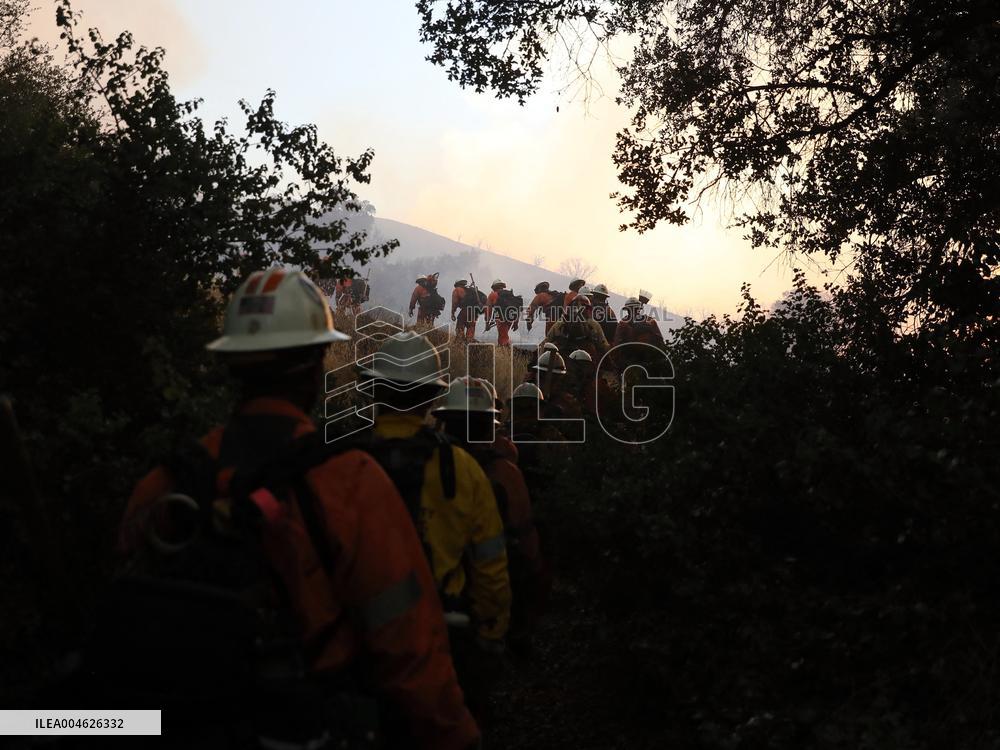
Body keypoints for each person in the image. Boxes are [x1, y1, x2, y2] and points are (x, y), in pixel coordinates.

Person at [119, 268, 479, 750]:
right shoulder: (350, 483)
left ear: (231, 366)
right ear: (316, 366)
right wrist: (456, 736)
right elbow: (409, 648)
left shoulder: (165, 483)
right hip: (301, 725)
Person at [361, 332, 512, 720]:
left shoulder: (342, 466)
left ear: (374, 391)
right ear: (431, 399)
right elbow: (490, 565)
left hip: (359, 642)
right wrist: (490, 634)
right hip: (444, 634)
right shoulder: (463, 468)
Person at [433, 378, 549, 662]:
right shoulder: (505, 472)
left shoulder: (426, 467)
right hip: (488, 610)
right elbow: (528, 551)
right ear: (490, 425)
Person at [543, 295, 610, 361]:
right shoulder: (593, 324)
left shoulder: (561, 322)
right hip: (586, 362)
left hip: (563, 360)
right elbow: (604, 347)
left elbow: (546, 341)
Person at [483, 279, 517, 347]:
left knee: (503, 336)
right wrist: (516, 323)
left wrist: (487, 323)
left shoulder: (492, 295)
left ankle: (505, 349)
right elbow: (516, 308)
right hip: (510, 318)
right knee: (503, 334)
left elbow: (488, 310)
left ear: (494, 287)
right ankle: (501, 348)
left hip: (500, 318)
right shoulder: (509, 294)